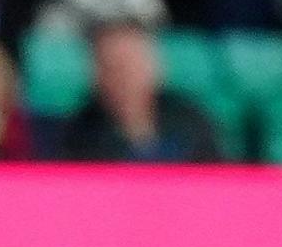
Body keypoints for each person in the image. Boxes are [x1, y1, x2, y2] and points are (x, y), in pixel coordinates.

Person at [59, 19, 223, 162]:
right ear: (96, 75)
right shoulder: (79, 136)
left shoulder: (191, 120)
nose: (124, 79)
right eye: (112, 68)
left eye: (132, 66)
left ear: (154, 67)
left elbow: (218, 180)